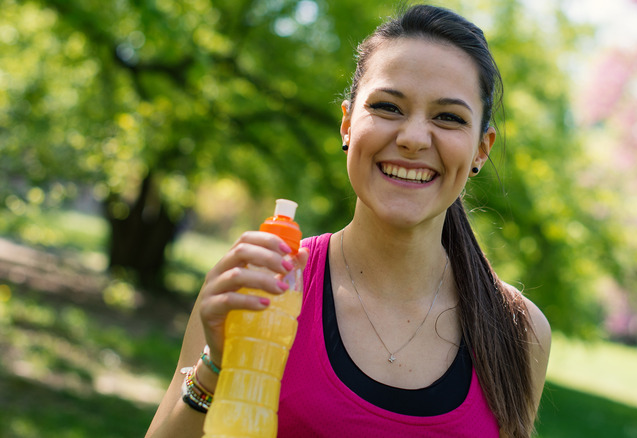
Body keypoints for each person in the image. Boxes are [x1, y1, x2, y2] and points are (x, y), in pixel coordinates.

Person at [146, 4, 550, 437]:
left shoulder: (518, 331)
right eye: (389, 107)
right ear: (347, 124)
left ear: (481, 149)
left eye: (448, 117)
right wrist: (214, 366)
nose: (413, 138)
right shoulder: (263, 284)